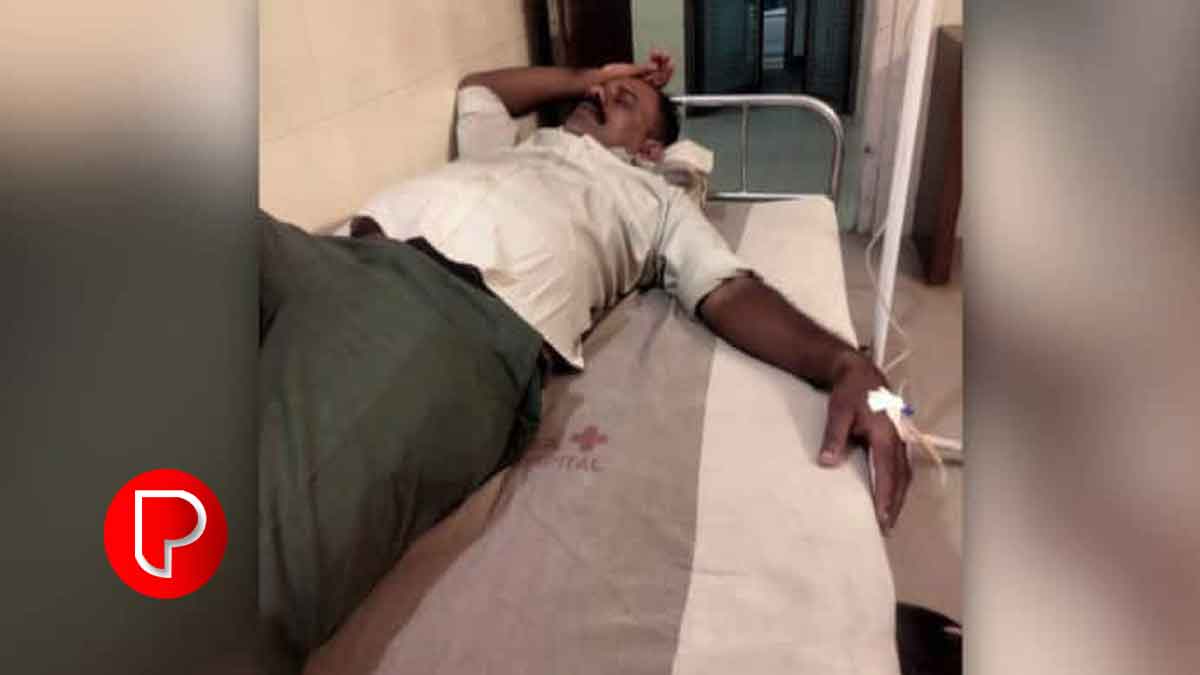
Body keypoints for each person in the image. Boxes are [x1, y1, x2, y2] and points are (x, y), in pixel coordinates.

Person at [339, 50, 910, 532]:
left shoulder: (653, 200)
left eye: (625, 101)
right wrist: (592, 76)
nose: (602, 96)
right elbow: (478, 90)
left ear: (650, 151)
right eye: (603, 91)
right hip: (338, 254)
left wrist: (845, 363)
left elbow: (728, 290)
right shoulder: (515, 147)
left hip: (453, 315)